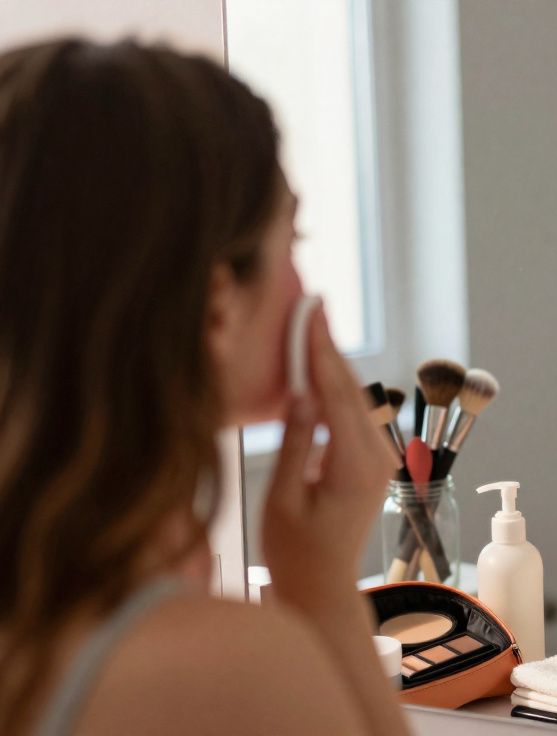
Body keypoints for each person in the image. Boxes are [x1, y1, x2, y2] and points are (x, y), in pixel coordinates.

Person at [0, 38, 407, 735]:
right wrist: (321, 589)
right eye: (294, 239)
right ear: (217, 308)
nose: (304, 286)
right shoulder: (227, 672)